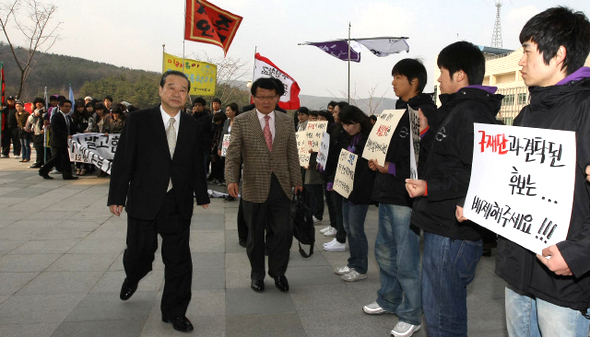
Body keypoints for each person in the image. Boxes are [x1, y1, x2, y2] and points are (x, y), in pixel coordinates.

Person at [491, 7, 590, 337]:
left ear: (559, 54)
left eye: (527, 51)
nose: (520, 62)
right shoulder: (527, 114)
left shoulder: (585, 110)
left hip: (565, 283)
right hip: (519, 273)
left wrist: (577, 254)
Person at [404, 41, 503, 337]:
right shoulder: (456, 110)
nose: (438, 79)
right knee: (437, 310)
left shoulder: (471, 112)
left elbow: (478, 174)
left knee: (442, 315)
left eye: (442, 72)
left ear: (459, 75)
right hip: (442, 225)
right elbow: (450, 161)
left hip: (452, 231)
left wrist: (429, 187)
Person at [107, 70, 210, 333]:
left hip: (177, 202)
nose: (177, 93)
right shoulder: (139, 120)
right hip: (144, 199)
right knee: (139, 252)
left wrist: (202, 194)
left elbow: (197, 163)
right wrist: (117, 196)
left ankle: (175, 312)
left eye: (183, 89)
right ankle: (133, 276)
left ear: (187, 95)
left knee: (179, 260)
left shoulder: (195, 126)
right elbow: (124, 159)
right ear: (160, 90)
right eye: (172, 87)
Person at [362, 58, 436, 337]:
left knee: (406, 258)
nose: (392, 82)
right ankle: (389, 299)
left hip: (406, 197)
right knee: (384, 250)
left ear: (413, 81)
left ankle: (411, 313)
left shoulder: (424, 112)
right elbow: (390, 151)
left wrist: (390, 167)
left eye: (397, 77)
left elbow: (423, 160)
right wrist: (378, 161)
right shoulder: (395, 110)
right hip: (387, 192)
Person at [225, 77, 302, 293]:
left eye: (271, 97)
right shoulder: (241, 120)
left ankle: (278, 273)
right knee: (255, 236)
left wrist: (297, 181)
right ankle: (257, 275)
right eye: (261, 97)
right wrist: (231, 179)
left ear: (278, 97)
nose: (266, 101)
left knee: (282, 233)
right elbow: (233, 155)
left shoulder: (286, 121)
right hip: (253, 185)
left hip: (281, 184)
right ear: (254, 97)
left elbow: (292, 154)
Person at [330, 105, 375, 282]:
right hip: (346, 188)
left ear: (358, 122)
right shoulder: (349, 138)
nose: (346, 128)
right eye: (344, 125)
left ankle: (360, 267)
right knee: (348, 227)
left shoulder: (366, 139)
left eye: (349, 124)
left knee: (356, 229)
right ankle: (352, 263)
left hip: (360, 191)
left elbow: (366, 170)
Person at [321, 102, 349, 248]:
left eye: (336, 112)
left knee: (340, 208)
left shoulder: (346, 133)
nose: (334, 114)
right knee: (334, 205)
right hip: (331, 171)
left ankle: (341, 237)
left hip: (340, 174)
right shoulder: (334, 129)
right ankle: (337, 231)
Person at [38, 100, 80, 180]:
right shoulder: (56, 116)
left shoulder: (68, 117)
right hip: (57, 141)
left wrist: (83, 131)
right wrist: (66, 135)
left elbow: (72, 127)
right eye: (66, 106)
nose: (68, 108)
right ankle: (43, 171)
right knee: (55, 158)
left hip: (65, 141)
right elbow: (56, 129)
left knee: (66, 159)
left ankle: (67, 175)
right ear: (60, 107)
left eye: (69, 107)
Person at [27, 98, 46, 168]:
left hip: (42, 132)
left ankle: (42, 161)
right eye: (37, 103)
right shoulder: (35, 111)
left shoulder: (44, 111)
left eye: (40, 102)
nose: (38, 104)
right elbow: (30, 120)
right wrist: (34, 115)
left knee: (42, 148)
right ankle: (39, 161)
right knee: (38, 148)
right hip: (36, 131)